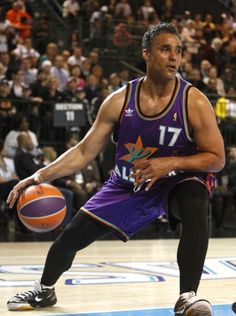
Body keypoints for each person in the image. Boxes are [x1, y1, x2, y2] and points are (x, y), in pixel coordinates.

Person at [6, 23, 225, 315]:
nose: (174, 57)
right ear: (146, 54)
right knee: (68, 239)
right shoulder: (120, 100)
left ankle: (187, 296)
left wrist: (170, 163)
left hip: (176, 180)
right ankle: (45, 290)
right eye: (165, 49)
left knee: (197, 199)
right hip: (127, 184)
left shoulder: (193, 100)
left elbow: (217, 158)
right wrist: (37, 176)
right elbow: (84, 152)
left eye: (178, 51)